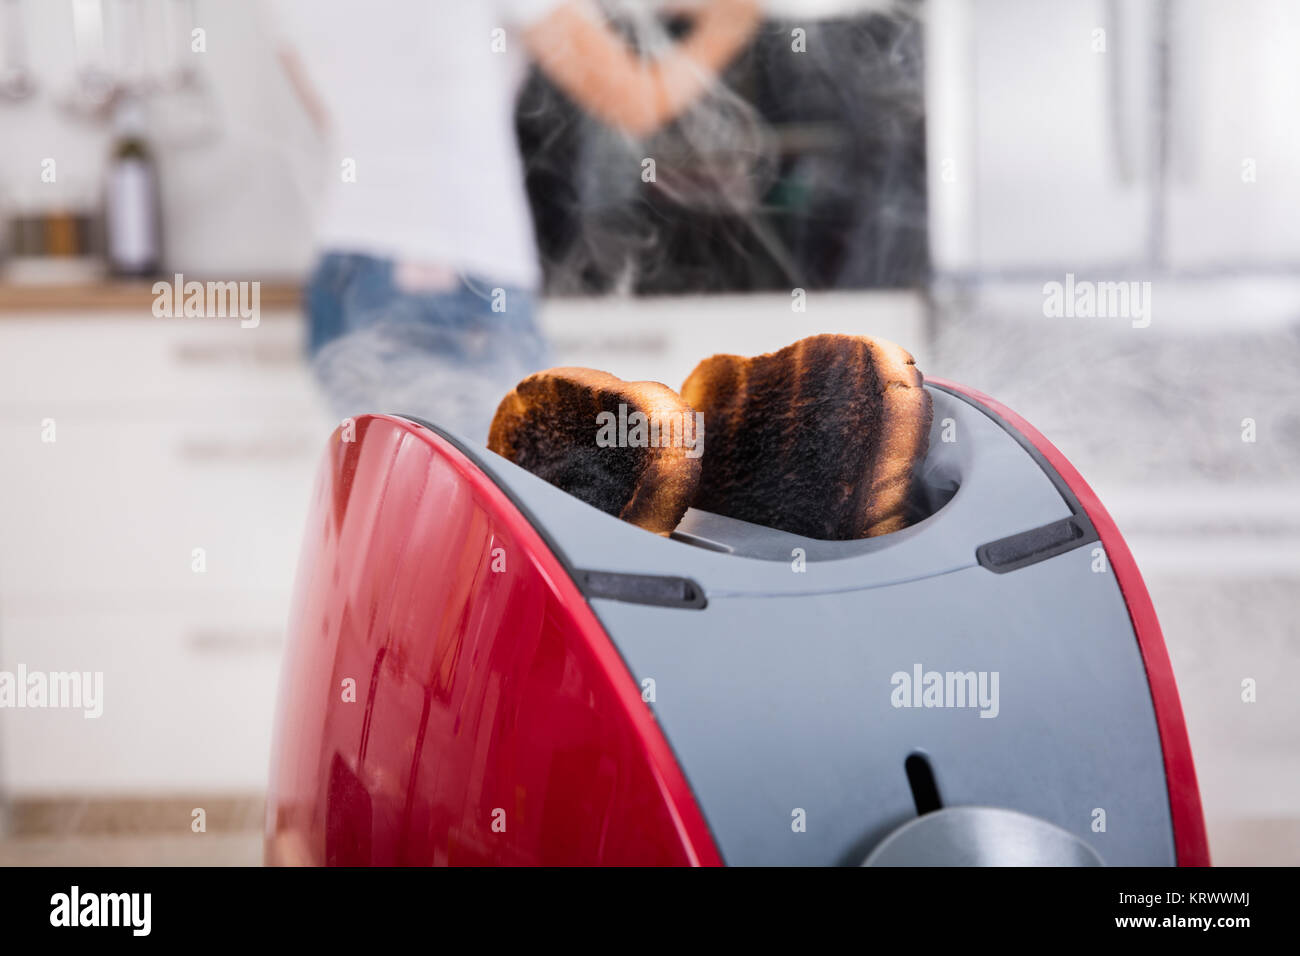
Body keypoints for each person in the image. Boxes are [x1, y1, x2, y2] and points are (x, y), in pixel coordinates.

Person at [270, 0, 761, 441]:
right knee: (489, 519)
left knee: (399, 516)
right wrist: (729, 25)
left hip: (340, 277)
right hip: (456, 282)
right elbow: (633, 100)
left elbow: (334, 117)